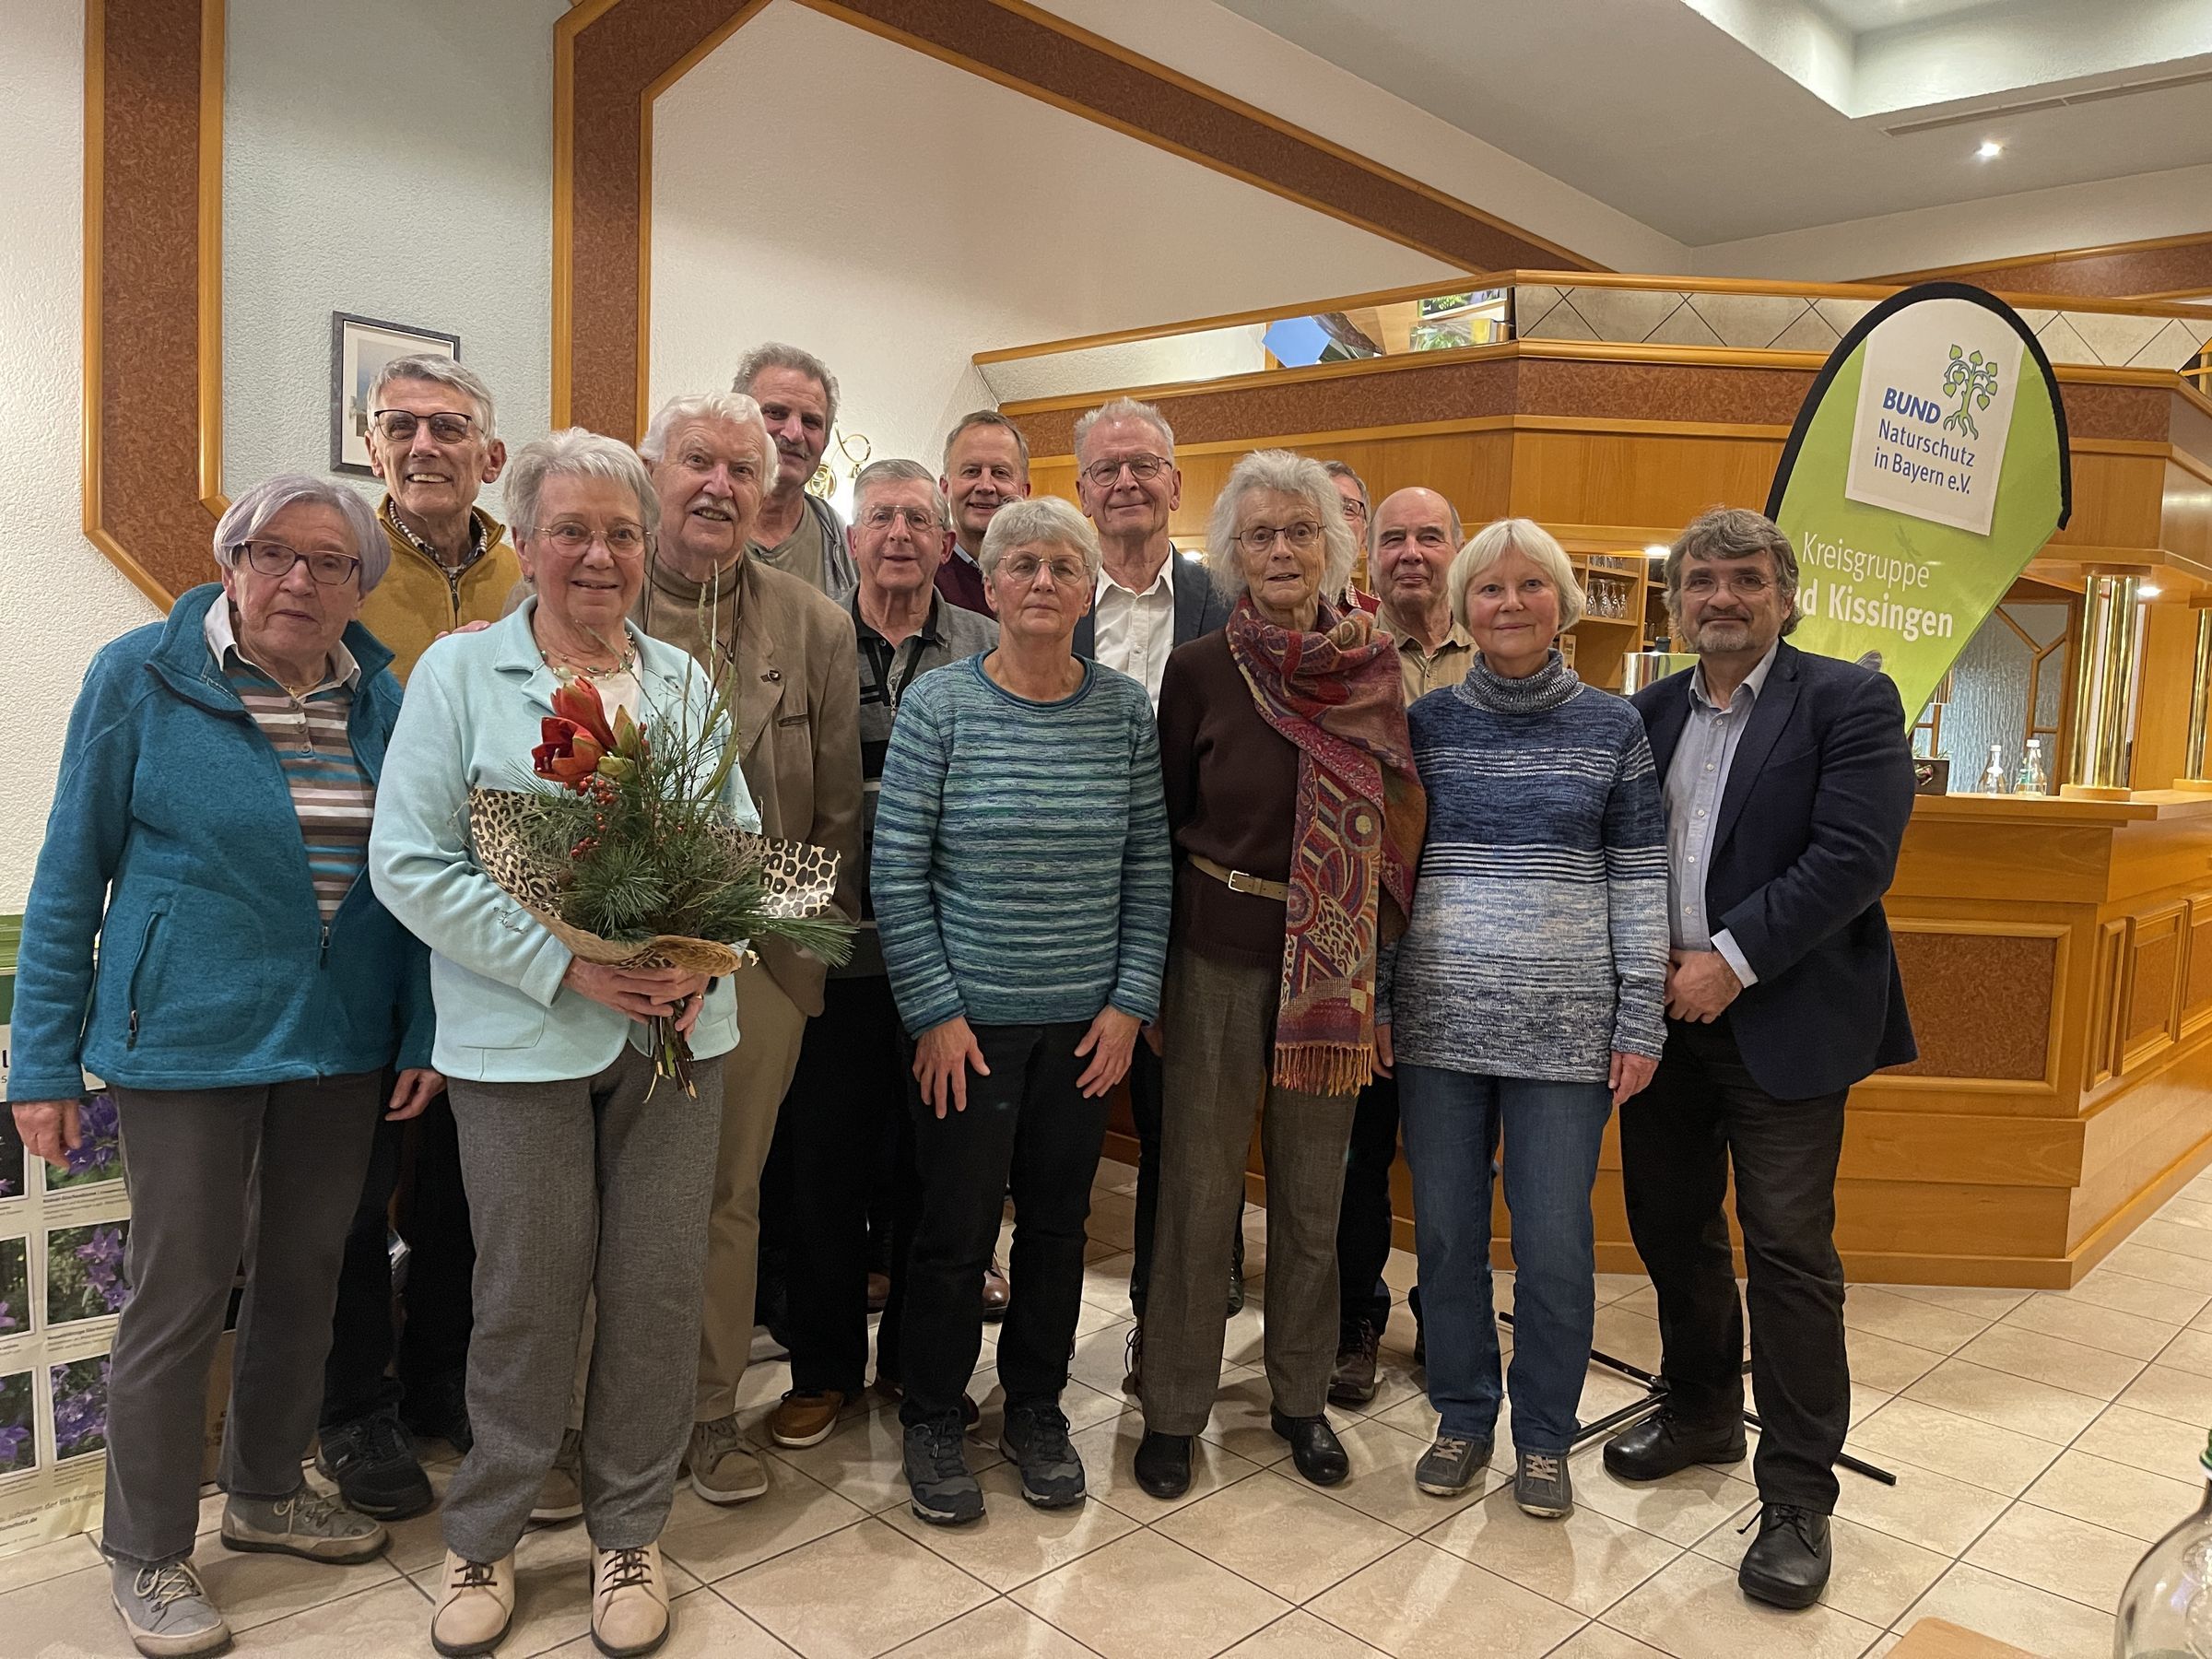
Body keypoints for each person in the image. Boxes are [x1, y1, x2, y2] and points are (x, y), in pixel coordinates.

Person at [8, 477, 437, 1659]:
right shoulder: (139, 676)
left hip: (341, 1042)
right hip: (182, 1042)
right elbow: (66, 875)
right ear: (230, 560)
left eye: (329, 562)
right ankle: (145, 1551)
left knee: (308, 1268)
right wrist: (41, 1060)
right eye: (271, 553)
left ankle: (262, 1492)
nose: (299, 580)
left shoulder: (385, 700)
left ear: (361, 583)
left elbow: (418, 884)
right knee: (180, 1286)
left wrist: (422, 1032)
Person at [371, 429, 758, 1659]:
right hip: (521, 1036)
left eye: (622, 534)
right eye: (573, 531)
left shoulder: (684, 683)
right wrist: (567, 961)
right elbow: (412, 863)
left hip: (676, 1038)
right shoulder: (455, 675)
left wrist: (704, 956)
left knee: (651, 1287)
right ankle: (484, 1538)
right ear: (528, 543)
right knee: (528, 1294)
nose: (599, 555)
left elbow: (735, 838)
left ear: (649, 551)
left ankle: (629, 1532)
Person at [1606, 505, 1915, 1610]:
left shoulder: (1848, 700)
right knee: (1668, 1225)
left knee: (1787, 1254)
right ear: (1677, 600)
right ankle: (1697, 1413)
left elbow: (1854, 858)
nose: (1721, 598)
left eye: (1745, 579)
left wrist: (1729, 961)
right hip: (1666, 1030)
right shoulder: (1641, 712)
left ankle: (1796, 1495)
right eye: (1701, 581)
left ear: (1786, 596)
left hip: (1785, 1019)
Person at [872, 495, 1171, 1525]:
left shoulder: (1126, 710)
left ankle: (1036, 1406)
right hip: (967, 1030)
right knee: (953, 1234)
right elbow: (897, 871)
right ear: (989, 588)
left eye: (1063, 567)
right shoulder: (942, 708)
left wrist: (1131, 1003)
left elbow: (1149, 868)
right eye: (1023, 566)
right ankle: (933, 1413)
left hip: (1083, 1034)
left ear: (1089, 591)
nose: (1044, 582)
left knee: (1056, 1228)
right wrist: (935, 1013)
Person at [1135, 450, 1424, 1501]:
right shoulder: (1201, 669)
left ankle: (1300, 1402)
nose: (1282, 550)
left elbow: (1399, 826)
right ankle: (1172, 1408)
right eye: (1259, 535)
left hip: (1332, 976)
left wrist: (1377, 972)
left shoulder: (1372, 670)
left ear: (1334, 546)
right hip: (1212, 959)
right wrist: (1154, 980)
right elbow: (1163, 825)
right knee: (1197, 1196)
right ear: (1232, 555)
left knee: (1313, 1195)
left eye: (1301, 532)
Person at [1380, 517, 1666, 1516]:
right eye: (1489, 589)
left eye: (1529, 585)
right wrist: (1378, 996)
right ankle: (1463, 1416)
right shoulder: (1427, 726)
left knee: (1552, 1245)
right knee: (1450, 1240)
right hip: (1439, 1023)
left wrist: (1640, 1019)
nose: (1509, 603)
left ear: (1563, 604)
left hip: (1567, 1030)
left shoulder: (1613, 727)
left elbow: (1639, 879)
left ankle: (1543, 1433)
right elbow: (1393, 876)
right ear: (1461, 610)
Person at [627, 392, 864, 1501]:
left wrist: (782, 959)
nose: (719, 485)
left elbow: (836, 814)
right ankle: (603, 1417)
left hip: (760, 964)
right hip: (603, 966)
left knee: (729, 1195)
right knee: (605, 1194)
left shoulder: (814, 624)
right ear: (652, 475)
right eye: (695, 462)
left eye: (742, 467)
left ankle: (711, 1412)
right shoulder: (591, 604)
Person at [315, 356, 513, 1520]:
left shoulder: (528, 560)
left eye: (451, 427)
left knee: (464, 1191)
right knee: (353, 1191)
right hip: (367, 927)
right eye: (400, 427)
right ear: (370, 445)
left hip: (505, 931)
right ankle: (357, 1411)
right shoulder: (337, 567)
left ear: (491, 453)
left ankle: (447, 1380)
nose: (425, 444)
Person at [771, 460, 999, 1446]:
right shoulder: (809, 636)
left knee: (935, 1175)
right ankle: (821, 1370)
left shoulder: (988, 645)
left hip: (952, 959)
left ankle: (916, 1363)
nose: (899, 534)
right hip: (830, 950)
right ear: (850, 540)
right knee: (819, 1171)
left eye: (918, 519)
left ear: (948, 544)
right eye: (880, 519)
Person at [1067, 395, 1235, 1383]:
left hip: (1200, 906)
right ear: (1083, 490)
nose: (1126, 482)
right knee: (1064, 1122)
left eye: (1144, 466)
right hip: (1070, 909)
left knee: (1185, 1134)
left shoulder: (1228, 601)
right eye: (1105, 468)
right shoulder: (1048, 594)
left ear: (1176, 484)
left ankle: (1166, 1326)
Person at [1328, 484, 1475, 1405]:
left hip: (1465, 949)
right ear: (1367, 556)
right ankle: (1354, 1320)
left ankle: (1448, 1315)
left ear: (1456, 548)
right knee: (1359, 1156)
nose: (1411, 551)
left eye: (1430, 535)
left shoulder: (1502, 654)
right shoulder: (1343, 660)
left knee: (1459, 1158)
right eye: (1393, 538)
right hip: (1363, 942)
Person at [734, 342, 855, 603]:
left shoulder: (849, 549)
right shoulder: (690, 531)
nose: (794, 433)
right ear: (737, 421)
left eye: (811, 422)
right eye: (776, 413)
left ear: (825, 442)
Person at [935, 410, 1029, 616]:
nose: (986, 486)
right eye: (971, 471)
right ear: (944, 488)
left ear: (1024, 491)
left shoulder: (1043, 576)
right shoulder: (923, 576)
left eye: (1000, 473)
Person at [1320, 460, 1381, 614]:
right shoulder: (1260, 612)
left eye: (1347, 508)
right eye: (1322, 505)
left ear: (1365, 537)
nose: (1333, 520)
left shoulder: (1381, 617)